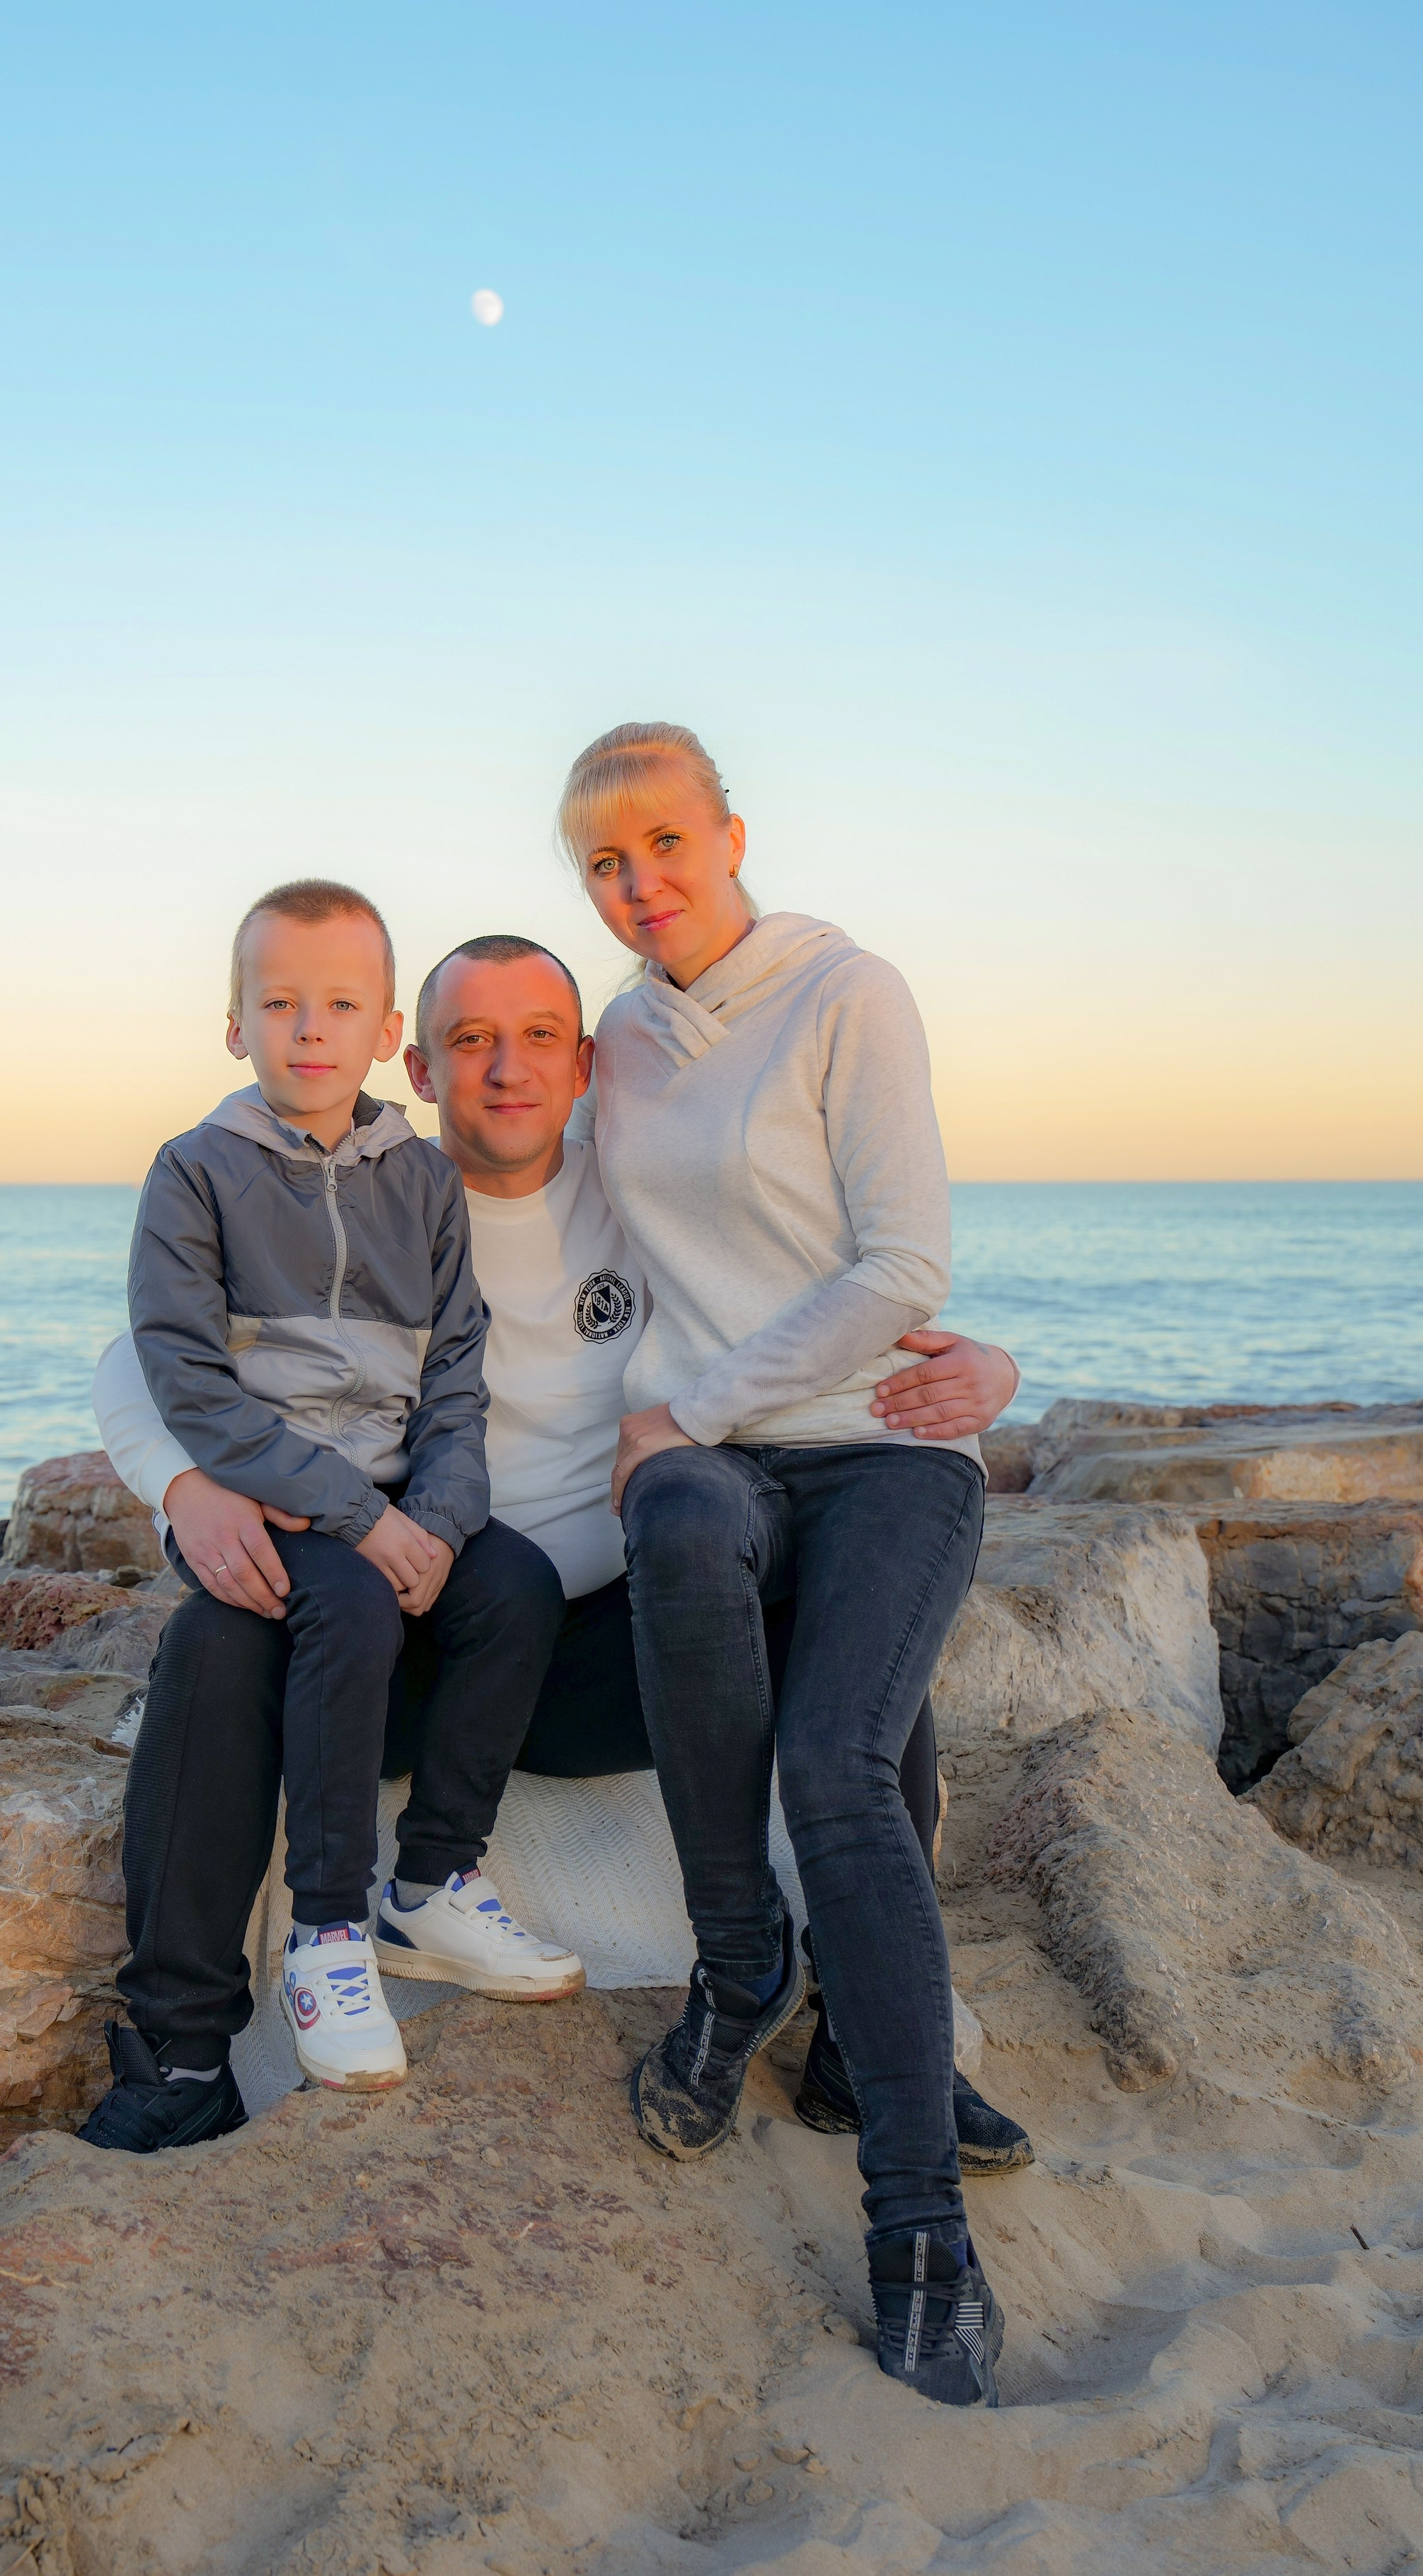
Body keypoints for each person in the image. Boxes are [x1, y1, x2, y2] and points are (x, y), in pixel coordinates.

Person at [92, 925, 1030, 2176]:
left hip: (604, 1648)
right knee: (212, 1638)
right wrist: (183, 1489)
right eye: (469, 1040)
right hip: (421, 1643)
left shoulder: (641, 1191)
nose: (506, 1069)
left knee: (838, 1626)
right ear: (417, 1068)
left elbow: (817, 1304)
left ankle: (861, 2048)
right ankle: (180, 2060)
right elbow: (137, 1354)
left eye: (539, 1037)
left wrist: (996, 1366)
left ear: (584, 1063)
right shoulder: (372, 1197)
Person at [564, 720, 1007, 2408]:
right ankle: (738, 1957)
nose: (638, 886)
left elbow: (904, 1261)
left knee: (837, 1759)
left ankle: (916, 2225)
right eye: (603, 864)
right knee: (670, 1522)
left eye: (663, 845)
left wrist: (689, 1402)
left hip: (885, 1453)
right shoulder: (620, 1038)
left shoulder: (849, 992)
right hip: (721, 1471)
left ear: (729, 833)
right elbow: (548, 1220)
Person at [86, 876, 582, 2146]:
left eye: (341, 1006)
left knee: (513, 1583)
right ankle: (316, 1943)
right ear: (236, 1023)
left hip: (412, 1520)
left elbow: (457, 1377)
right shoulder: (196, 1171)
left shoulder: (421, 1182)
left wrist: (447, 1522)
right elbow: (175, 1371)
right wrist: (336, 1519)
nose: (311, 1029)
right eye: (281, 1003)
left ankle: (435, 1882)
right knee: (254, 1633)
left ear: (380, 1040)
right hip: (290, 1514)